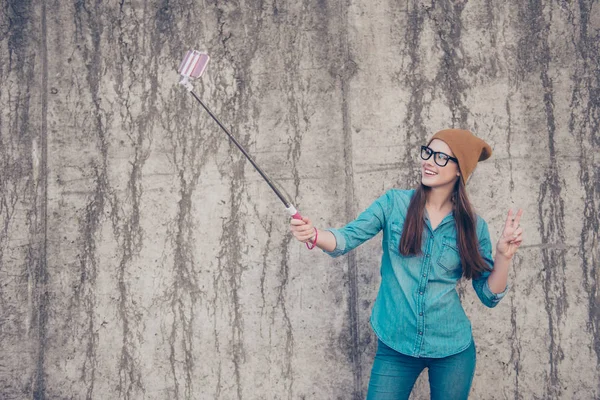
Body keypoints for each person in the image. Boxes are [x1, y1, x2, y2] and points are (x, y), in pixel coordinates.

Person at [290, 129, 524, 400]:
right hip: (395, 345)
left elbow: (489, 295)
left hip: (452, 350)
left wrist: (504, 257)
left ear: (460, 169)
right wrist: (315, 235)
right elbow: (346, 237)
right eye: (427, 152)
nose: (428, 161)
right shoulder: (393, 204)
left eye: (440, 157)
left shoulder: (473, 226)